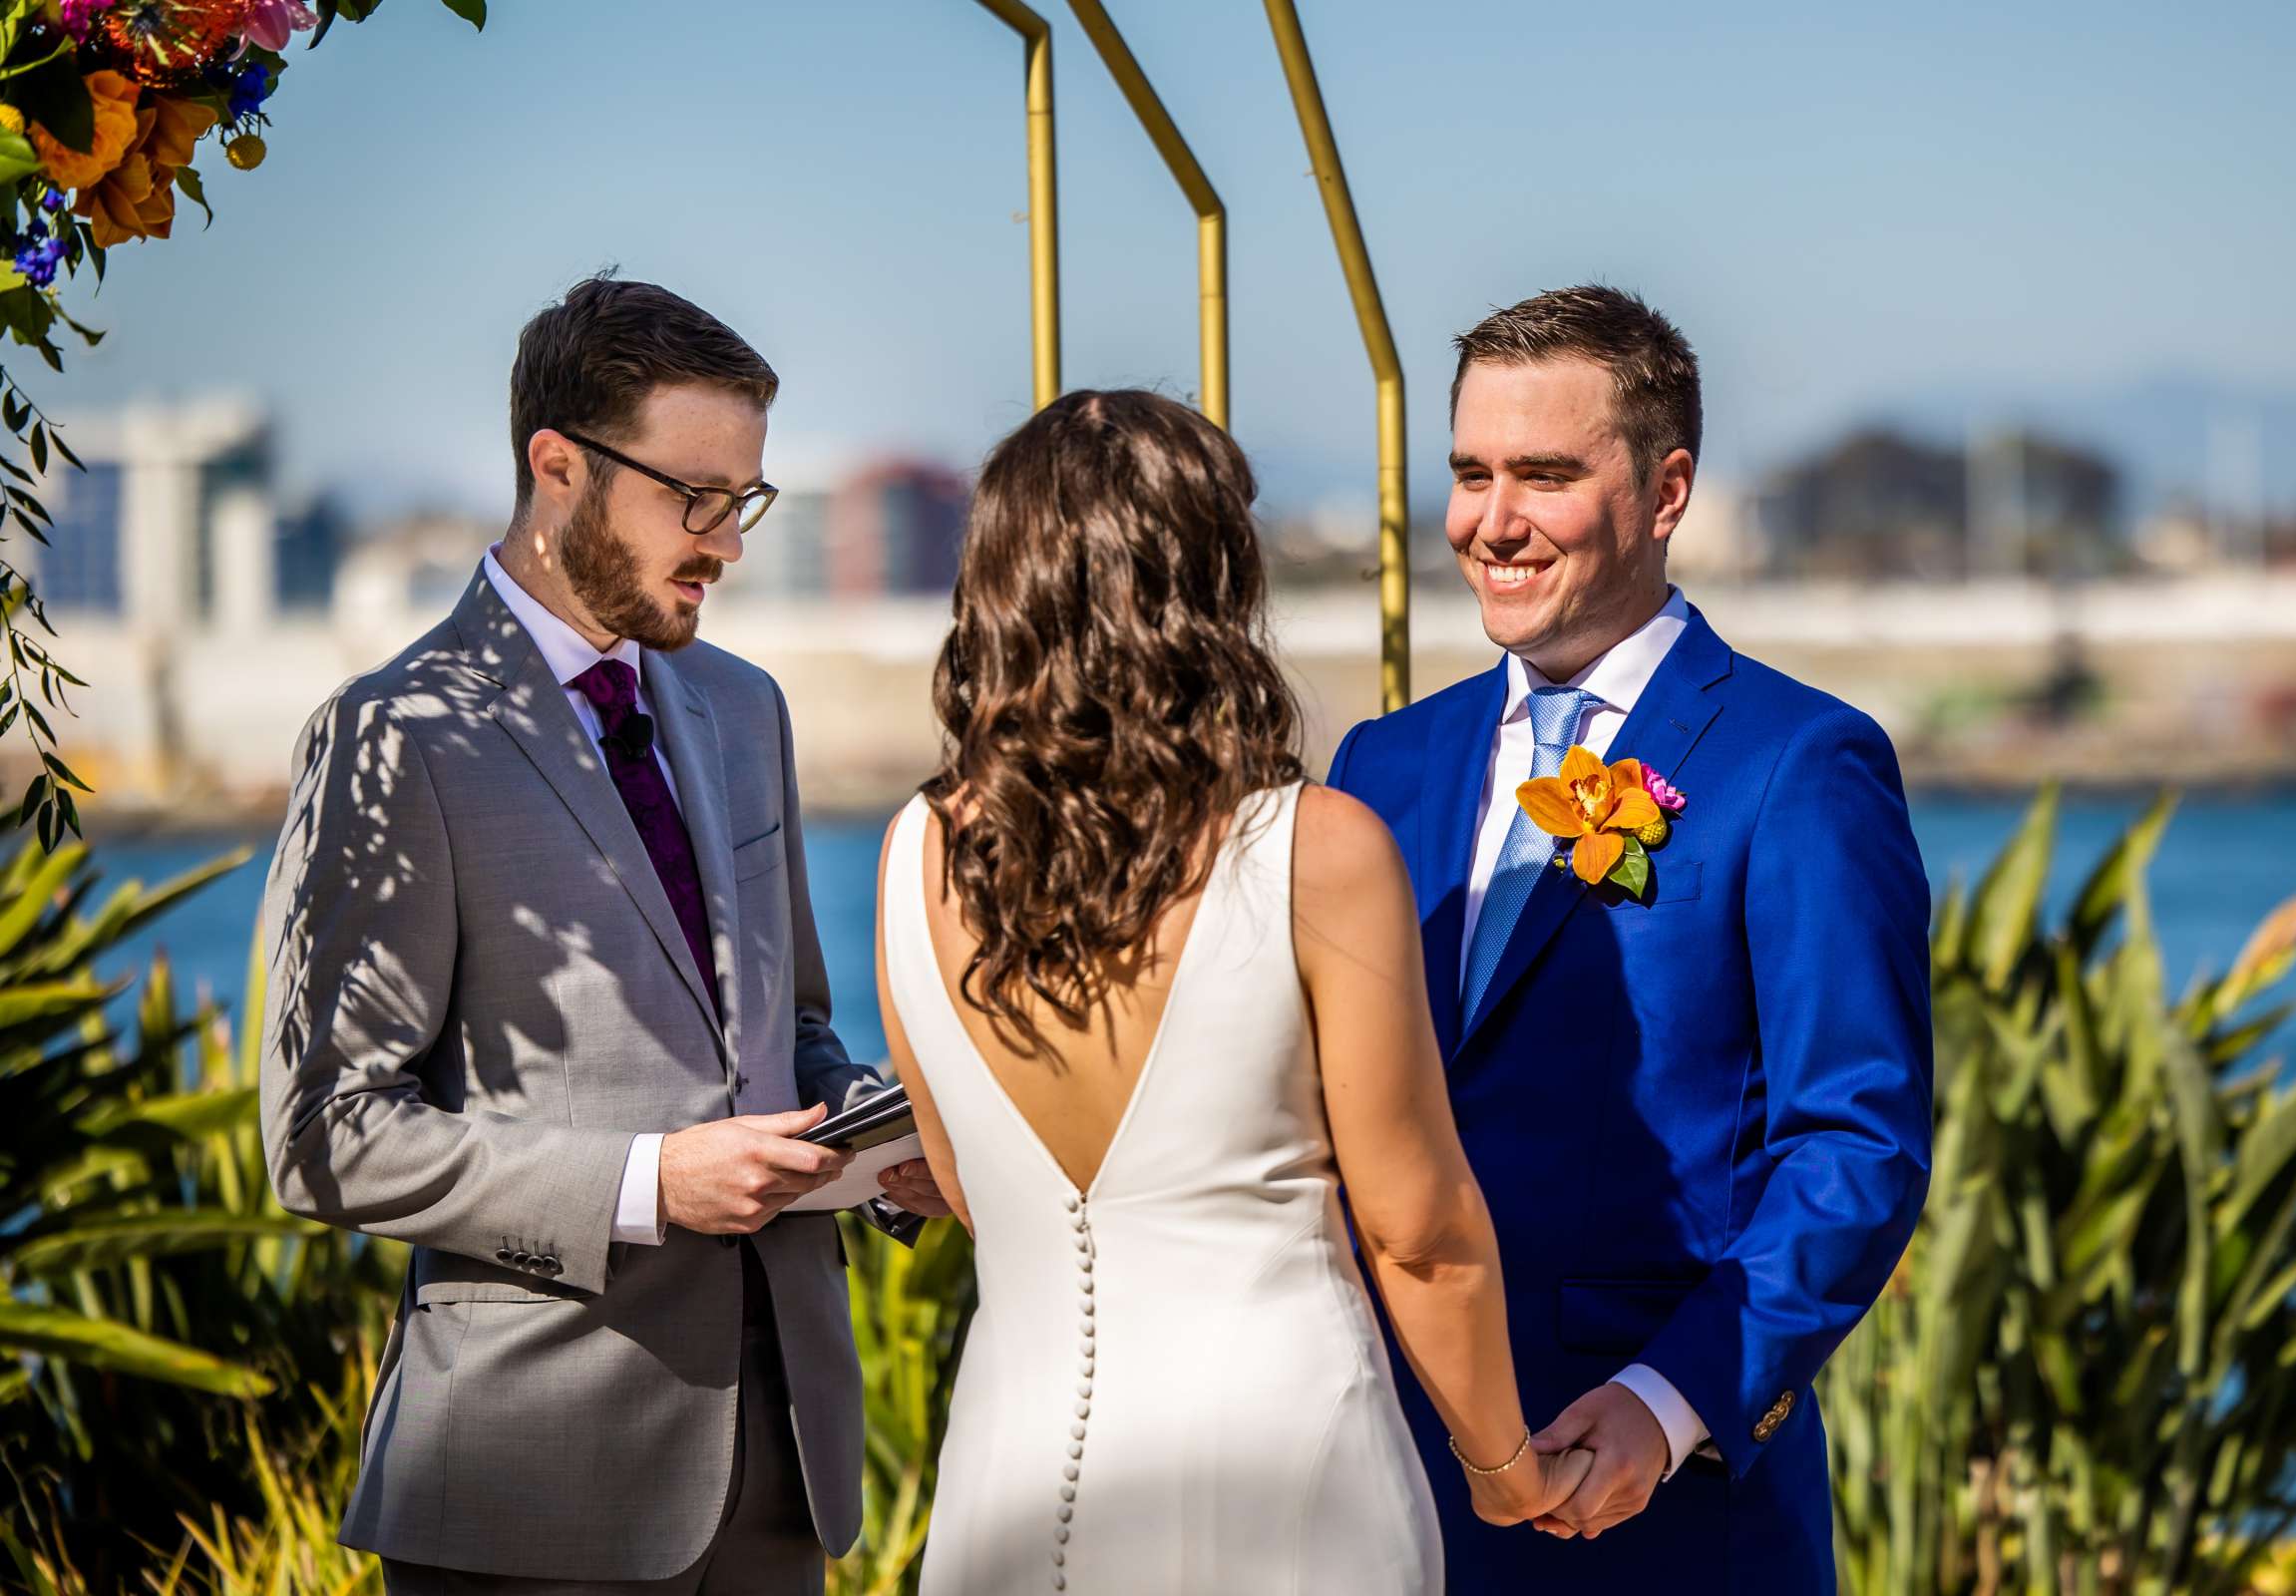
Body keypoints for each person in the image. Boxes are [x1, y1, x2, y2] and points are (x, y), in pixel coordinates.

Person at [257, 275, 947, 1594]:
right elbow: (324, 1135)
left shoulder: (745, 710)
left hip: (781, 1473)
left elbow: (791, 1026)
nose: (726, 542)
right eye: (692, 497)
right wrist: (646, 1185)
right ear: (558, 468)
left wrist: (878, 1139)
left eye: (742, 500)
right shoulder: (398, 737)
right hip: (532, 1497)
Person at [877, 389, 1591, 1593]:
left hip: (1008, 1483)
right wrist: (1503, 1466)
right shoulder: (1316, 847)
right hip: (1285, 1481)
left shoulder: (913, 851)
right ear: (1213, 585)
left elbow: (960, 1182)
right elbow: (1417, 1229)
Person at [1329, 283, 1934, 1591]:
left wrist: (1671, 1404)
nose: (1492, 522)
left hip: (1660, 1512)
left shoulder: (1801, 764)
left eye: (1543, 475)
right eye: (1472, 473)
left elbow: (1857, 1148)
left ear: (1667, 491)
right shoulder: (1379, 766)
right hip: (1384, 1485)